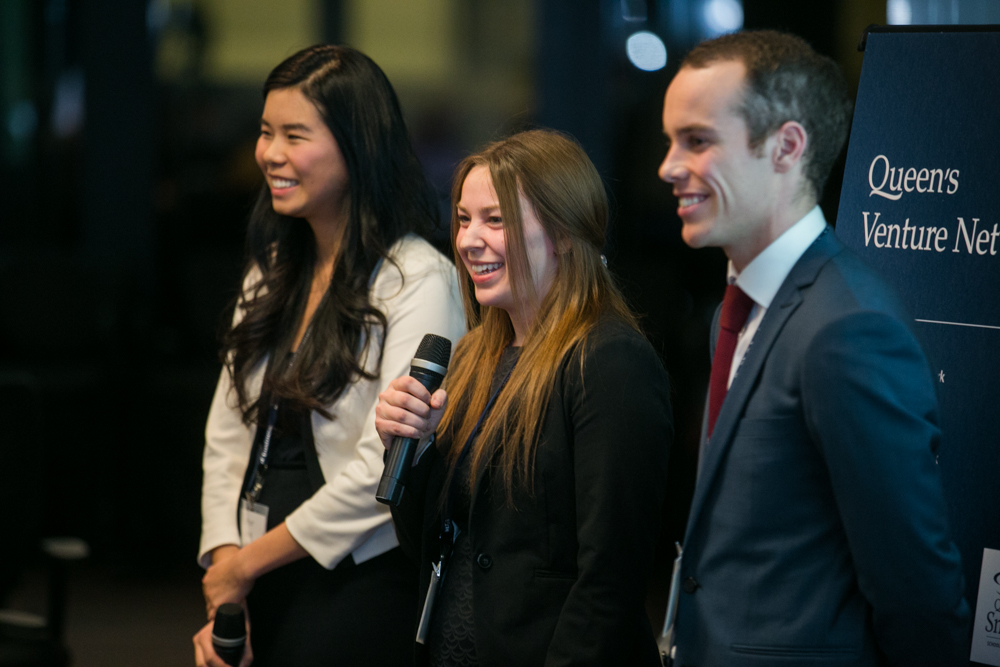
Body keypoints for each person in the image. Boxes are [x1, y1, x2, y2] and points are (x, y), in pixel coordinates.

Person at [657, 30, 969, 666]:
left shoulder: (847, 328)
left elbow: (916, 593)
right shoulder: (735, 308)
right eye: (670, 141)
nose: (667, 165)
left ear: (786, 147)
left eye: (698, 140)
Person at [192, 45, 465, 667]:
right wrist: (223, 574)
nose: (271, 154)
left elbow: (386, 465)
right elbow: (227, 434)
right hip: (256, 566)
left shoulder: (419, 278)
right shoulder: (273, 272)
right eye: (265, 132)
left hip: (359, 577)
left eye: (295, 134)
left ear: (357, 144)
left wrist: (244, 566)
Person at [375, 129, 673, 666]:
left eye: (496, 220)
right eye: (464, 218)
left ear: (562, 231)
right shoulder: (469, 359)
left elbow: (609, 580)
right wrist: (409, 449)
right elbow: (431, 545)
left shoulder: (607, 361)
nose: (468, 239)